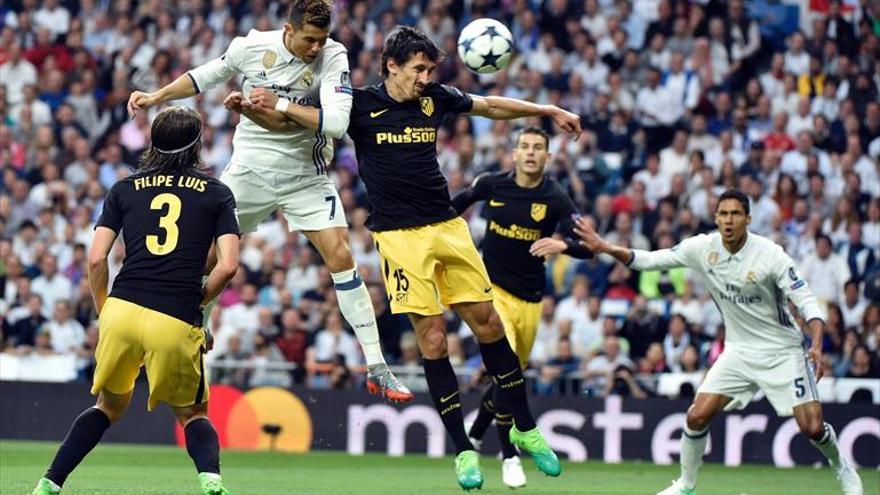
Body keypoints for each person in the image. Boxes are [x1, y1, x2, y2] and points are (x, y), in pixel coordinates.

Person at [251, 25, 579, 491]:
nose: (426, 77)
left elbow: (491, 107)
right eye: (418, 69)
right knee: (432, 339)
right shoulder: (360, 104)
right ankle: (464, 449)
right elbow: (305, 118)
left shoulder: (436, 98)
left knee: (488, 323)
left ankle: (525, 428)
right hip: (399, 239)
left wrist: (547, 109)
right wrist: (269, 106)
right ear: (392, 65)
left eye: (430, 69)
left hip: (448, 228)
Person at [126, 0, 411, 402]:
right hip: (249, 170)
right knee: (208, 256)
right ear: (288, 31)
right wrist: (157, 96)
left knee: (341, 255)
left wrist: (276, 104)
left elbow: (337, 123)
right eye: (309, 39)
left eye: (321, 39)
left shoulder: (333, 55)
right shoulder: (252, 46)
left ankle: (377, 366)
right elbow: (206, 74)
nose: (316, 47)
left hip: (304, 175)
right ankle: (198, 329)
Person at [574, 189, 863, 495]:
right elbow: (649, 260)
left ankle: (842, 466)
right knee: (697, 415)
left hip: (782, 350)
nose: (728, 220)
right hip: (738, 351)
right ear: (715, 217)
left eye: (735, 214)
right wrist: (605, 247)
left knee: (812, 427)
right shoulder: (702, 248)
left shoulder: (771, 254)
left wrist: (816, 345)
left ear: (748, 219)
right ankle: (686, 485)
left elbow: (807, 303)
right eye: (723, 214)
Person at [32, 107, 241, 495]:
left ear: (152, 142)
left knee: (107, 407)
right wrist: (197, 303)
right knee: (192, 413)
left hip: (122, 309)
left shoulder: (125, 187)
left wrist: (104, 308)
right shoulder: (217, 193)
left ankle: (49, 483)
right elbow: (228, 266)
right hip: (175, 317)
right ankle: (211, 482)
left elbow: (96, 258)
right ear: (197, 146)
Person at [451, 126, 592, 488]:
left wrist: (563, 246)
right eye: (524, 147)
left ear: (546, 156)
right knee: (507, 364)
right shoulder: (492, 184)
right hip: (491, 290)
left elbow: (589, 245)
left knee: (507, 379)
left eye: (537, 148)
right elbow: (452, 206)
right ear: (514, 153)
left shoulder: (556, 198)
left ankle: (478, 432)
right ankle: (510, 455)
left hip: (529, 300)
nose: (530, 152)